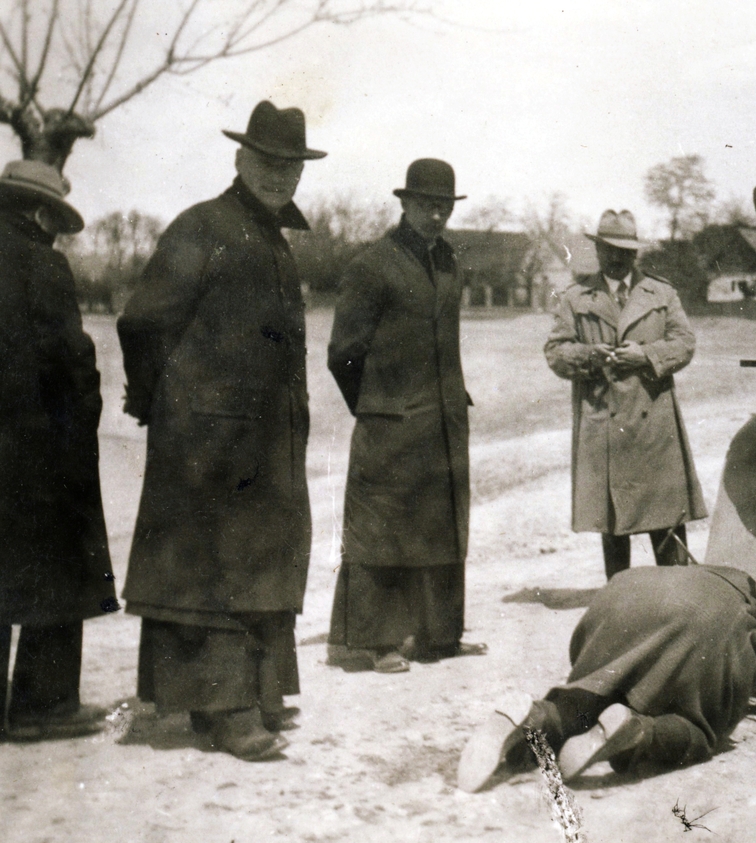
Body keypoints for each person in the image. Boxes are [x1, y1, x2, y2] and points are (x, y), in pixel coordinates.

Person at [116, 101, 325, 761]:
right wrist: (167, 405)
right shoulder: (203, 226)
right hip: (207, 443)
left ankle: (252, 695)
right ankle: (225, 710)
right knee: (217, 570)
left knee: (262, 561)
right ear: (240, 159)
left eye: (290, 167)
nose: (279, 177)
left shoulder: (272, 239)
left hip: (266, 441)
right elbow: (143, 321)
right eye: (268, 163)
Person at [325, 159, 484, 674]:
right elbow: (343, 353)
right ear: (404, 203)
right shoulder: (372, 265)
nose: (436, 215)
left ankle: (440, 635)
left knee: (442, 524)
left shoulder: (451, 263)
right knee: (382, 528)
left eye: (444, 206)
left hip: (443, 420)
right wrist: (376, 406)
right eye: (426, 205)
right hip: (390, 423)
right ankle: (374, 642)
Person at [456, 565, 756, 791]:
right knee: (699, 731)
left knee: (593, 694)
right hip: (705, 617)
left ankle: (540, 715)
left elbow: (579, 648)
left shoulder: (700, 568)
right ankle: (638, 732)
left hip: (625, 590)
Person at [0, 160, 118, 741]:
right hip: (39, 450)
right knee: (62, 566)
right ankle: (42, 706)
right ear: (44, 213)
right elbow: (71, 363)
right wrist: (83, 422)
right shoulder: (44, 267)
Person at [544, 210, 707, 579]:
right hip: (605, 424)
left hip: (653, 425)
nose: (618, 258)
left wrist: (646, 355)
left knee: (665, 518)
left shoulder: (661, 293)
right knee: (613, 522)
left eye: (626, 251)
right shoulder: (576, 297)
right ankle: (620, 602)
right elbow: (555, 352)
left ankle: (675, 598)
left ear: (636, 254)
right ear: (598, 250)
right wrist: (588, 355)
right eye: (610, 250)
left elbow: (685, 343)